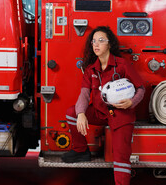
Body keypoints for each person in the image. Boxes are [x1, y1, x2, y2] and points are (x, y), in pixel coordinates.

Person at [62, 26, 145, 185]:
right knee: (72, 112)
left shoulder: (122, 65)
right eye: (93, 41)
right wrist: (80, 113)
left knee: (120, 155)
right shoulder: (90, 69)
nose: (96, 44)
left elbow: (140, 88)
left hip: (122, 115)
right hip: (100, 112)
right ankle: (80, 151)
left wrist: (131, 102)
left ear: (110, 44)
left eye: (101, 40)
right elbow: (84, 94)